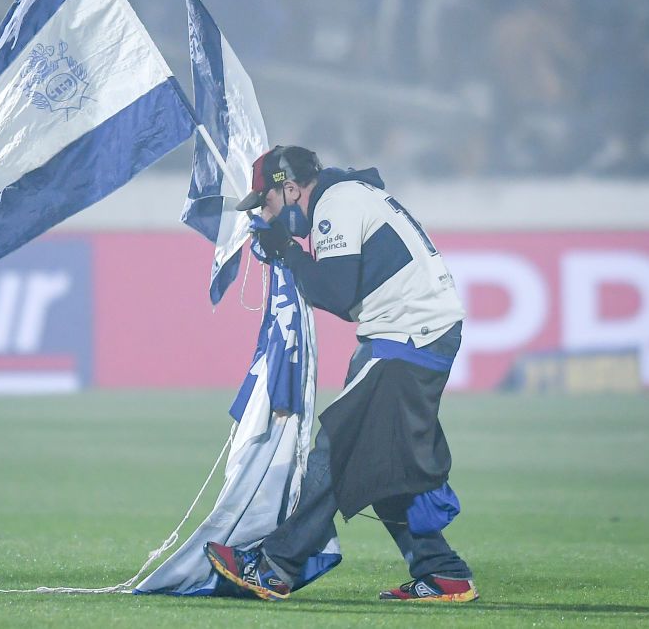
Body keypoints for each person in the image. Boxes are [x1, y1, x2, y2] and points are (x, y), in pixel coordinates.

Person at [203, 145, 477, 603]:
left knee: (339, 447)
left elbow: (335, 291)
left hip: (407, 336)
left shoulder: (337, 202)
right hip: (411, 334)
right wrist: (289, 250)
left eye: (266, 204)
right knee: (383, 462)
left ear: (289, 189)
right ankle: (442, 571)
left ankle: (274, 568)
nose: (267, 215)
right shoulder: (350, 195)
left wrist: (287, 250)